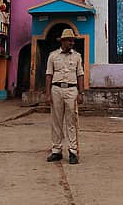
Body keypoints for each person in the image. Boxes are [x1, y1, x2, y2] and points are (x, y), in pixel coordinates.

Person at [45, 29, 85, 165]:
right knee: (56, 121)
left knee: (72, 121)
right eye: (69, 40)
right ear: (62, 41)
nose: (71, 43)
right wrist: (48, 93)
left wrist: (81, 92)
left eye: (72, 40)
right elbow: (49, 74)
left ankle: (73, 151)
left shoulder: (77, 57)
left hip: (71, 90)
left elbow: (80, 75)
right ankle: (56, 150)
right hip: (56, 89)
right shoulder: (53, 56)